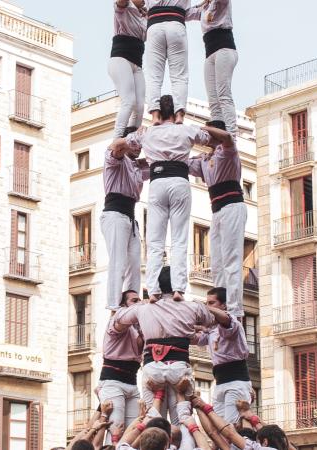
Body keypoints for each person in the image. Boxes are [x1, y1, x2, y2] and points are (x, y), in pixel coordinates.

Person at [114, 96, 233, 300]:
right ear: (177, 112)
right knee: (179, 239)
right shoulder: (185, 130)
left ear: (157, 112)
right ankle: (178, 289)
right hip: (179, 181)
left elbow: (116, 145)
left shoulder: (148, 133)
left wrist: (136, 139)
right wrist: (190, 126)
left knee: (155, 241)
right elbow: (219, 139)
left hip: (157, 182)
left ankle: (152, 291)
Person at [114, 266, 231, 424]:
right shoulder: (192, 307)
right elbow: (218, 320)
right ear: (179, 283)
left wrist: (141, 304)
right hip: (178, 369)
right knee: (182, 423)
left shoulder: (143, 308)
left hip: (153, 369)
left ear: (157, 286)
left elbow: (119, 319)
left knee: (153, 425)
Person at [187, 120, 245, 318]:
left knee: (231, 258)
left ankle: (234, 308)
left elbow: (228, 138)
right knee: (218, 262)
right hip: (218, 210)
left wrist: (203, 129)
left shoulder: (228, 151)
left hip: (232, 206)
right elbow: (184, 164)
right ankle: (221, 302)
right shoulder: (205, 159)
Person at [102, 129, 149, 311]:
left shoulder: (138, 167)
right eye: (135, 144)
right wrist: (133, 138)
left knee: (135, 264)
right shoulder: (115, 160)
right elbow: (115, 147)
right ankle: (113, 304)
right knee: (118, 261)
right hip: (114, 213)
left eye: (140, 146)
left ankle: (131, 300)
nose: (138, 148)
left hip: (130, 216)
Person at [192, 287, 253, 424]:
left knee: (230, 427)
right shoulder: (211, 330)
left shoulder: (233, 323)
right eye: (206, 303)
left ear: (223, 305)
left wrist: (203, 307)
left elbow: (225, 319)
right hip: (219, 383)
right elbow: (193, 339)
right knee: (219, 428)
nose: (208, 306)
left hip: (236, 382)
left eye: (211, 303)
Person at [99, 290, 144, 443]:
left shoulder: (137, 329)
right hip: (113, 381)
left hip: (132, 383)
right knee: (115, 428)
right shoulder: (116, 320)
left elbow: (140, 348)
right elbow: (121, 323)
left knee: (132, 431)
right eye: (134, 300)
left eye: (140, 300)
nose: (139, 303)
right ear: (123, 305)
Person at [186, 0, 238, 136]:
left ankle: (232, 135)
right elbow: (186, 14)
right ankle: (218, 134)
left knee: (223, 95)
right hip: (210, 53)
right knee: (213, 99)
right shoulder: (204, 7)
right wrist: (200, 4)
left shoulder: (221, 3)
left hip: (224, 49)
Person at [143, 0, 192, 124]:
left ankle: (155, 116)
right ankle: (179, 115)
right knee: (179, 76)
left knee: (154, 76)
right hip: (176, 22)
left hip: (154, 23)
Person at [110, 0, 147, 138]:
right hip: (121, 60)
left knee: (140, 106)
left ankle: (132, 140)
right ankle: (117, 139)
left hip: (136, 64)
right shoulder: (124, 8)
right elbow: (121, 3)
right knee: (129, 100)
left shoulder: (144, 16)